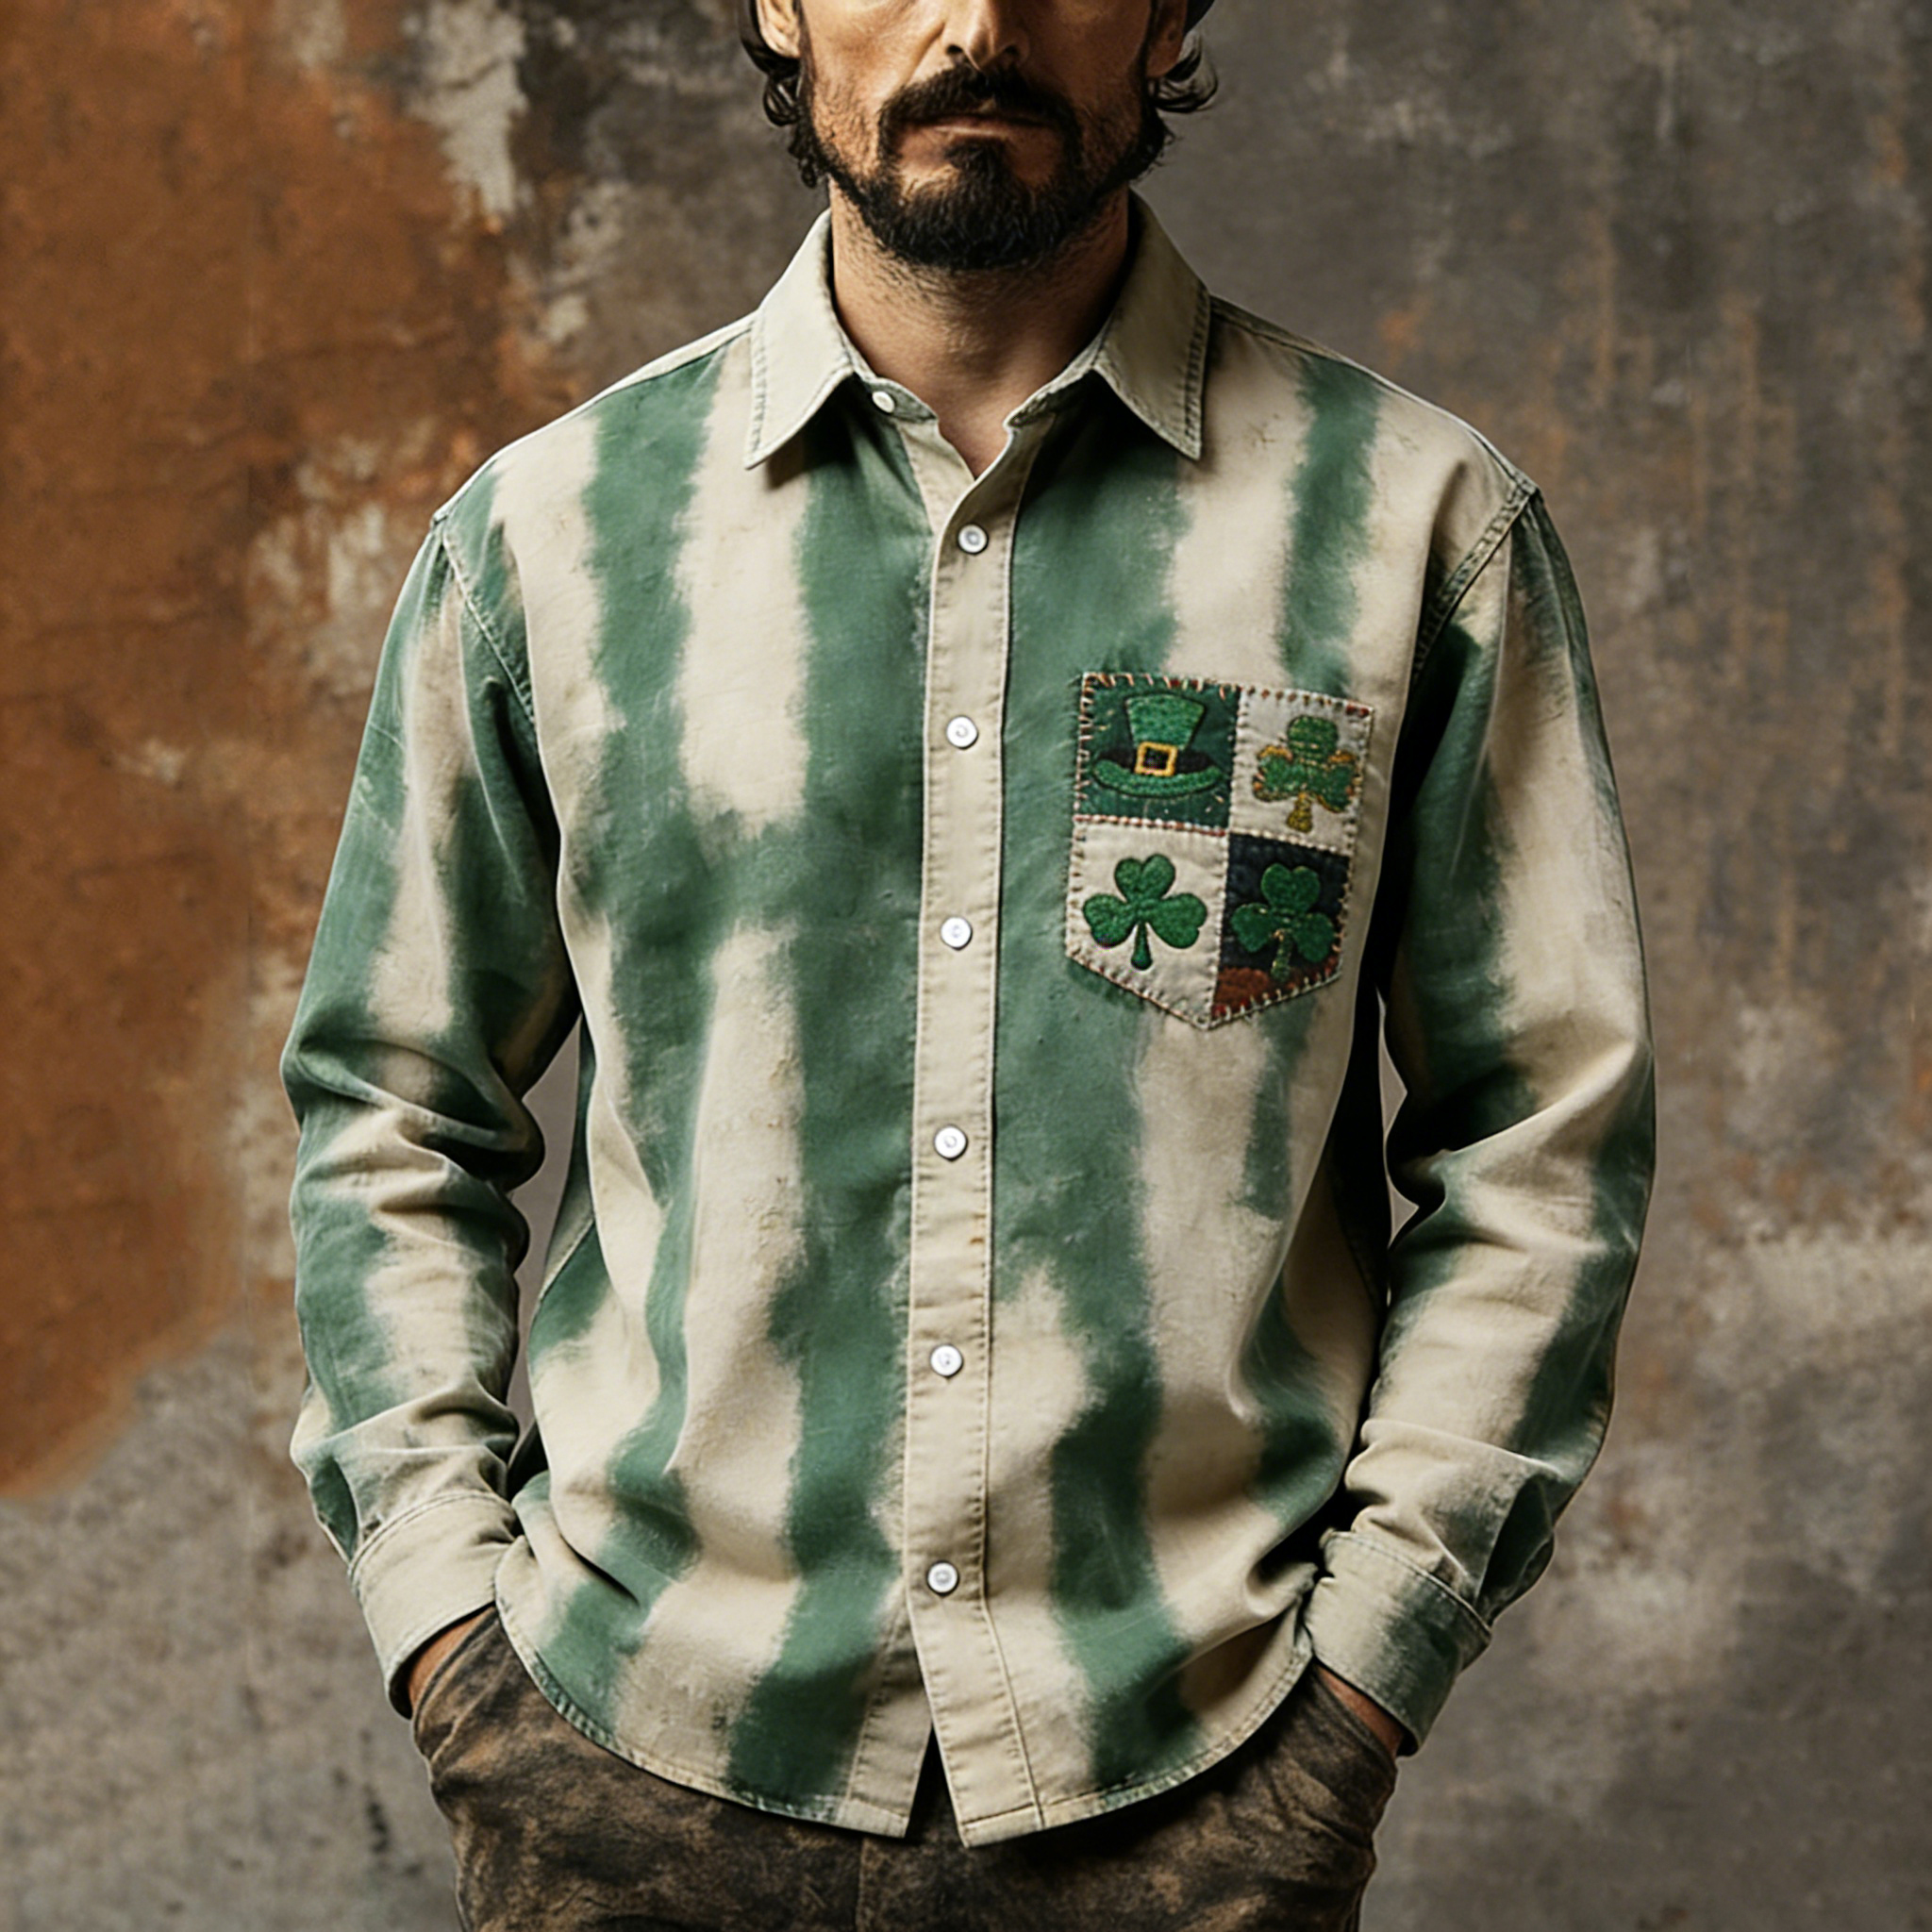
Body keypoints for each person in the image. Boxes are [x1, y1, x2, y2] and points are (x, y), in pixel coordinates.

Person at [278, 0, 1657, 1925]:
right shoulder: (548, 541)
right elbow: (390, 1106)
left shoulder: (1416, 531)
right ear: (776, 4)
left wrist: (1367, 1672)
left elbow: (1541, 1135)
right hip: (624, 1763)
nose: (976, 25)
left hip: (1194, 1791)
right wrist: (447, 1628)